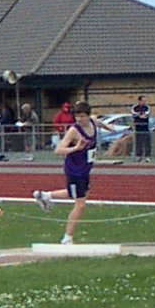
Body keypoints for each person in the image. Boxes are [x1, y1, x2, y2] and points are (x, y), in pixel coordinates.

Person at [32, 101, 116, 245]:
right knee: (80, 204)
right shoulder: (74, 130)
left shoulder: (92, 122)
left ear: (88, 116)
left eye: (82, 116)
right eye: (77, 117)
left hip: (85, 169)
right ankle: (67, 237)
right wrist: (76, 148)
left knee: (76, 193)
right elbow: (58, 150)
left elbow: (98, 122)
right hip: (74, 171)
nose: (79, 119)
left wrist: (109, 128)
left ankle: (45, 195)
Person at [131, 95, 152, 163]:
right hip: (138, 128)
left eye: (145, 101)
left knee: (146, 142)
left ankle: (147, 157)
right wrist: (140, 115)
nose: (144, 102)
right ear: (139, 101)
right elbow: (134, 114)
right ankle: (138, 156)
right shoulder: (134, 108)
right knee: (138, 142)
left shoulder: (147, 107)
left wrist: (141, 115)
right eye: (143, 101)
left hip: (145, 127)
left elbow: (146, 115)